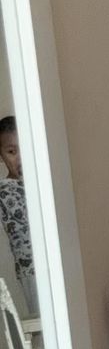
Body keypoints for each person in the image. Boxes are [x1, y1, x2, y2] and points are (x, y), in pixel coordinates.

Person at [0, 115, 37, 312]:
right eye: (11, 152)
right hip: (29, 269)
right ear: (2, 156)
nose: (20, 158)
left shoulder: (42, 182)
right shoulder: (5, 189)